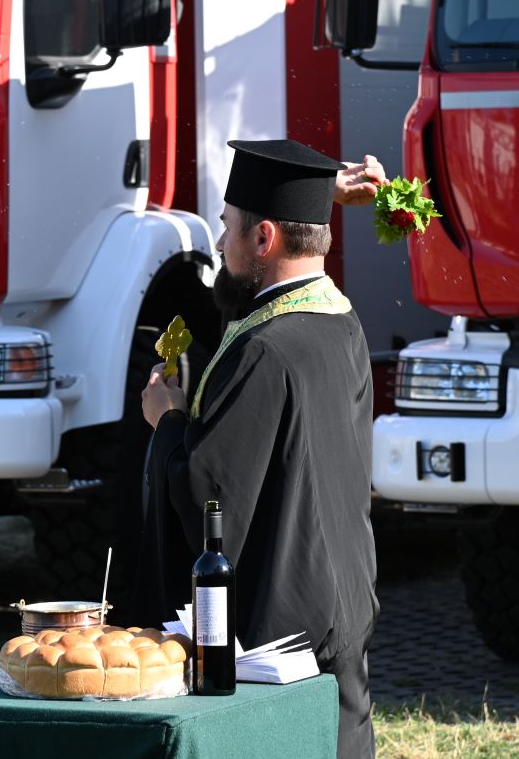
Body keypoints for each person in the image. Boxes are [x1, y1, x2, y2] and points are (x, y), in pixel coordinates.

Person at [137, 139, 384, 758]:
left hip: (280, 632)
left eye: (227, 228)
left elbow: (210, 496)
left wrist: (167, 421)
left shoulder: (265, 350)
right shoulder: (340, 323)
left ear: (265, 239)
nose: (220, 245)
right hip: (340, 603)